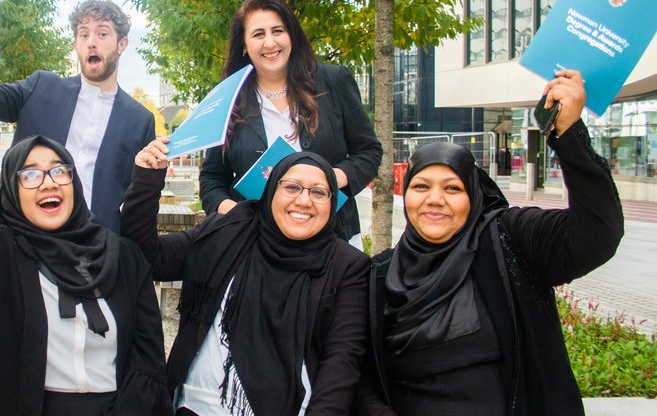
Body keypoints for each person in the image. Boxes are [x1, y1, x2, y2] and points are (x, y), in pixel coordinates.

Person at [0, 45, 169, 415]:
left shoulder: (123, 258)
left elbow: (148, 362)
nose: (48, 183)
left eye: (60, 170)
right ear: (11, 190)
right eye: (30, 174)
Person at [353, 70, 624, 416]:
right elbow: (360, 378)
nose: (434, 199)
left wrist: (569, 134)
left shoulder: (509, 240)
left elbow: (596, 236)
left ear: (474, 196)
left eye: (452, 188)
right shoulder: (378, 277)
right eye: (421, 187)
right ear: (405, 196)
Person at [123, 143, 371, 414]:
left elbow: (341, 363)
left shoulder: (348, 268)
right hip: (194, 407)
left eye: (319, 192)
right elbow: (144, 258)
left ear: (332, 202)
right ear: (270, 191)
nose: (303, 200)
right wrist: (147, 180)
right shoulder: (224, 232)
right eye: (291, 187)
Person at [0, 0, 154, 232]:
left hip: (93, 249)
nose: (92, 43)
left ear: (122, 44)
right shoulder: (40, 87)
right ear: (75, 44)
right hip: (22, 238)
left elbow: (137, 201)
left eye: (102, 33)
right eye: (84, 35)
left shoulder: (140, 120)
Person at [198, 0, 381, 249]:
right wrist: (233, 213)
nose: (270, 43)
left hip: (333, 237)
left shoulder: (334, 80)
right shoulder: (229, 100)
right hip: (255, 241)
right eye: (258, 34)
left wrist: (324, 181)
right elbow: (211, 179)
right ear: (244, 44)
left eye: (278, 31)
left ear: (292, 35)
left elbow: (368, 152)